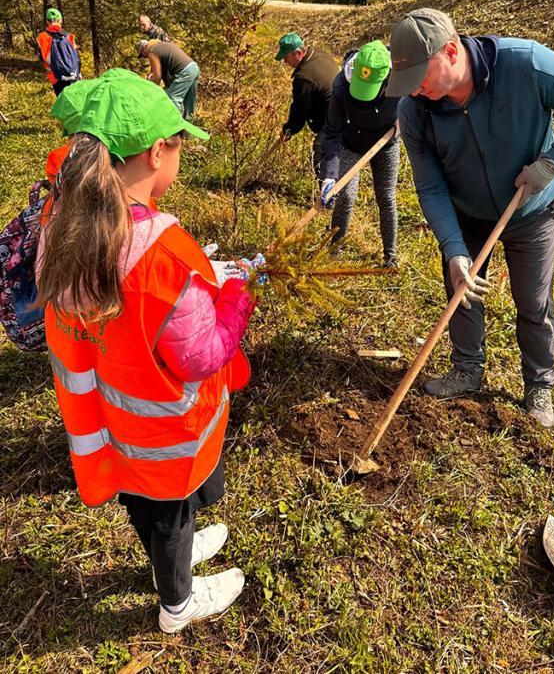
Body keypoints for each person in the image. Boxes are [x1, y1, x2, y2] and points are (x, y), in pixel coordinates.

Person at [36, 69, 265, 633]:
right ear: (157, 152)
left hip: (108, 427)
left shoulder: (60, 225)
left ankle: (177, 557)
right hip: (163, 437)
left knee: (149, 511)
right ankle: (177, 605)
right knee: (168, 517)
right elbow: (201, 354)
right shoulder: (159, 253)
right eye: (179, 144)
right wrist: (236, 299)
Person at [388, 8, 554, 428]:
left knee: (532, 301)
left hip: (532, 211)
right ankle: (468, 369)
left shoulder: (524, 64)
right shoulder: (415, 110)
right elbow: (431, 187)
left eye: (420, 75)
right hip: (467, 214)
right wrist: (454, 250)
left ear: (451, 52)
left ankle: (539, 384)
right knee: (463, 290)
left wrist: (552, 162)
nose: (415, 89)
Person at [320, 40, 400, 267]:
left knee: (386, 196)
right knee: (345, 196)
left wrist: (401, 123)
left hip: (387, 141)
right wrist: (329, 175)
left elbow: (416, 101)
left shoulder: (402, 75)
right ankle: (334, 250)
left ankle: (390, 256)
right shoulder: (340, 87)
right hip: (352, 142)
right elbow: (332, 133)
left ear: (386, 79)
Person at [275, 32, 339, 179]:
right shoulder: (319, 54)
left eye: (286, 57)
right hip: (344, 111)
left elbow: (299, 110)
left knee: (322, 152)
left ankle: (327, 195)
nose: (285, 61)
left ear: (298, 53)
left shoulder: (304, 78)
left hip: (335, 118)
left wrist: (289, 130)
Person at [137, 39, 200, 119]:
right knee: (189, 101)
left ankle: (175, 124)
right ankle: (190, 122)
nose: (144, 57)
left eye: (142, 54)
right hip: (194, 67)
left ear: (144, 48)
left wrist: (151, 90)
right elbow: (165, 72)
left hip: (185, 72)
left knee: (173, 98)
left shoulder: (152, 52)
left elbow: (157, 77)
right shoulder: (162, 44)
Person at [36, 8, 82, 96]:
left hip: (56, 77)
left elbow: (43, 58)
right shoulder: (69, 36)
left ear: (47, 21)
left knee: (62, 103)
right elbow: (76, 57)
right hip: (74, 76)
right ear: (60, 20)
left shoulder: (42, 37)